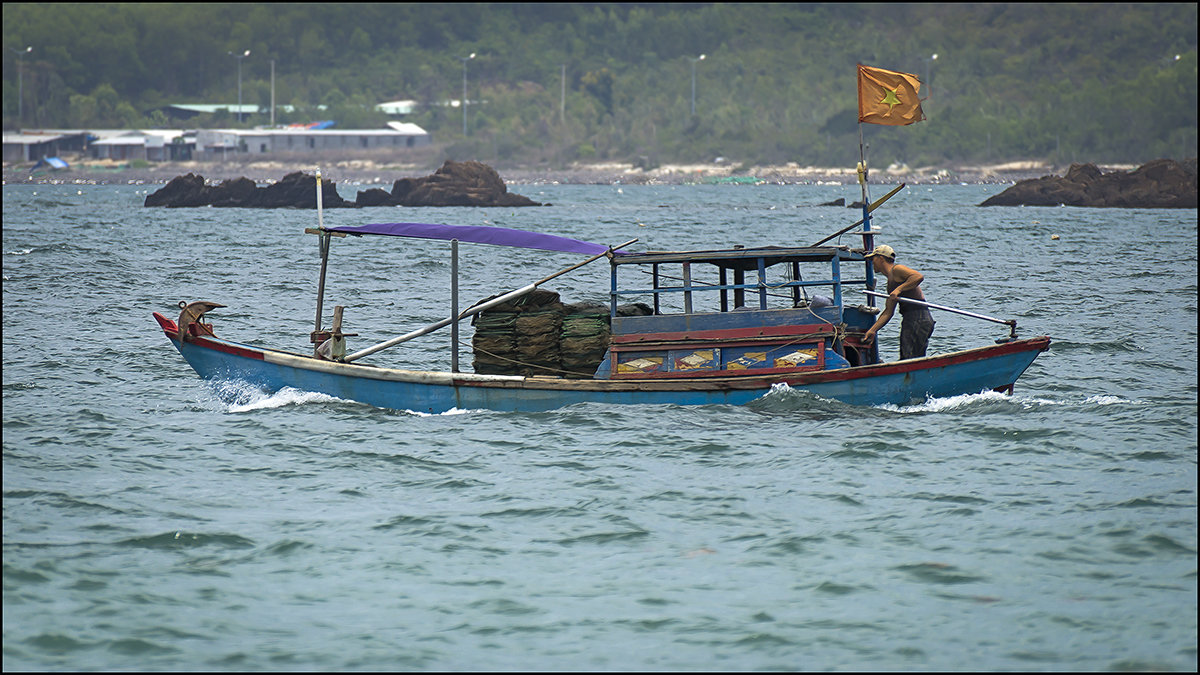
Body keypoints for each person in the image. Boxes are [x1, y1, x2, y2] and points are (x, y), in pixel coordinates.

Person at [861, 244, 935, 359]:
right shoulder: (891, 282)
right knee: (907, 355)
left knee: (910, 358)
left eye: (873, 258)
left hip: (918, 317)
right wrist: (872, 330)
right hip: (910, 318)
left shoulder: (897, 269)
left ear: (881, 258)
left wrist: (899, 289)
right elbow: (888, 312)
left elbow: (918, 276)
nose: (872, 262)